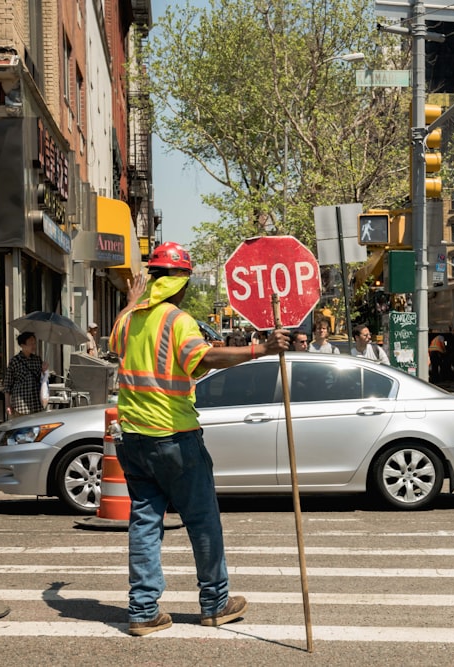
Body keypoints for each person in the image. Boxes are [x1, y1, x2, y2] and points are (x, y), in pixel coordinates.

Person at [108, 241, 290, 637]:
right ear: (182, 283)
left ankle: (142, 611)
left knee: (144, 522)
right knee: (203, 521)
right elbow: (203, 357)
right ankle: (215, 603)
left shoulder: (126, 320)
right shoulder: (177, 320)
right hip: (173, 436)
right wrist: (261, 348)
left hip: (133, 439)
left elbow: (122, 343)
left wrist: (131, 301)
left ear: (152, 279)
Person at [3, 331, 47, 417]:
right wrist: (7, 404)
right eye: (31, 343)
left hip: (36, 405)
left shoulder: (37, 360)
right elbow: (7, 385)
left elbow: (42, 380)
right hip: (20, 405)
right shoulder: (15, 361)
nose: (33, 346)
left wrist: (44, 371)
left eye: (34, 343)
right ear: (22, 345)